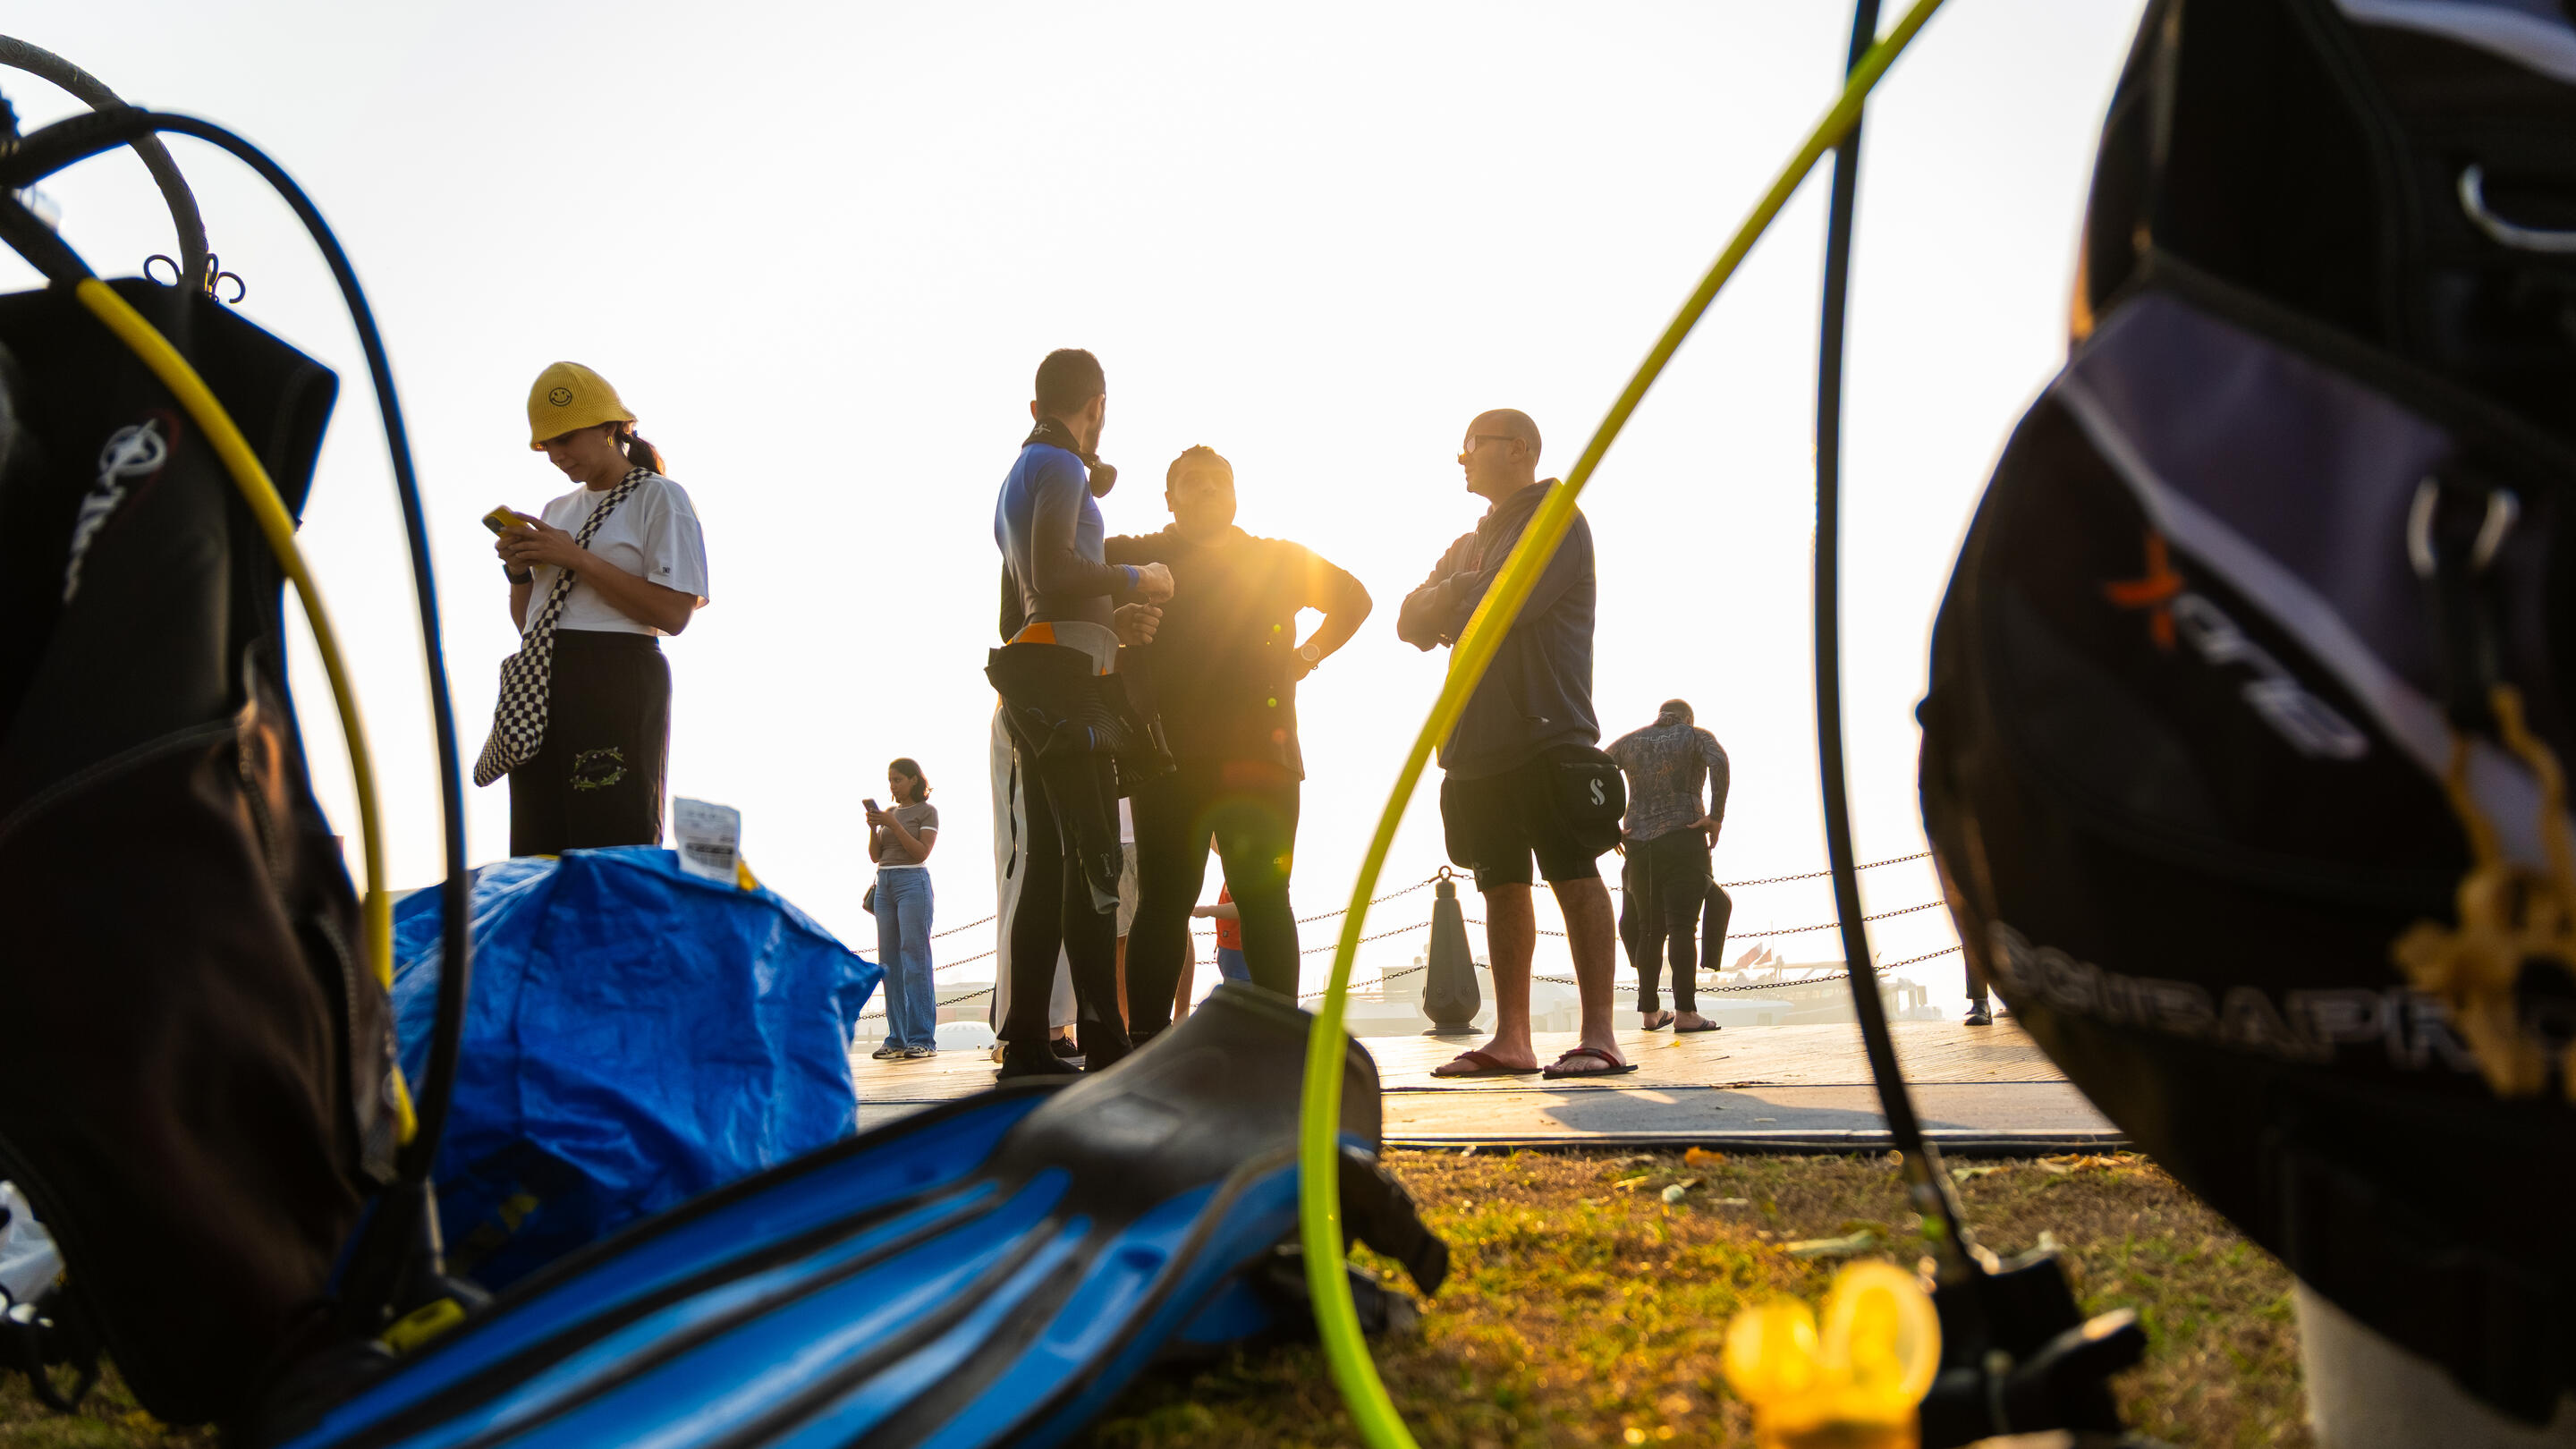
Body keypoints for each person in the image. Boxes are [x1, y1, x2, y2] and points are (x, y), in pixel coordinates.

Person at [1106, 445, 1370, 1039]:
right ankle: (1148, 1045)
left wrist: (1306, 657)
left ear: (1235, 495)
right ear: (1169, 498)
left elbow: (1354, 599)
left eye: (1218, 482)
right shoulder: (1136, 556)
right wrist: (1116, 621)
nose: (1207, 490)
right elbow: (1071, 581)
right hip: (1166, 761)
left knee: (1265, 897)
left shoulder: (1275, 559)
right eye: (1192, 482)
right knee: (1163, 904)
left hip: (1263, 759)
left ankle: (1279, 1046)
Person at [1396, 410, 1626, 1080]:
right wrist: (1464, 590)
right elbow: (1409, 619)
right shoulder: (1470, 542)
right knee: (1500, 885)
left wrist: (1459, 595)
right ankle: (1512, 1039)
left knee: (1574, 874)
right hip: (1473, 740)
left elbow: (1509, 603)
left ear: (1518, 448)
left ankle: (1601, 1035)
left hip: (1547, 730)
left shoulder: (1556, 521)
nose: (1461, 458)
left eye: (1471, 445)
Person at [988, 347, 1174, 1079]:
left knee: (1048, 866)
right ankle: (1107, 1042)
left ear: (1037, 404)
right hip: (1067, 683)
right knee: (1096, 860)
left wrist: (1109, 620)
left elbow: (1028, 599)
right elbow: (1053, 572)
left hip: (1042, 668)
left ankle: (1030, 1040)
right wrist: (1141, 575)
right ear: (1096, 405)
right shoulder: (1061, 466)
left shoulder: (1022, 469)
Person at [492, 362, 708, 856]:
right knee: (538, 852)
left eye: (566, 438)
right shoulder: (556, 511)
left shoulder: (660, 497)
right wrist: (520, 571)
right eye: (547, 445)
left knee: (613, 843)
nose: (558, 455)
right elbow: (531, 623)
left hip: (616, 675)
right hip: (544, 682)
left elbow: (674, 614)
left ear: (610, 427)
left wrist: (575, 558)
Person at [1607, 699, 1730, 1032]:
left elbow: (1596, 769)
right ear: (1688, 717)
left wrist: (1607, 826)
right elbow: (1719, 763)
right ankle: (1686, 1014)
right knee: (1681, 928)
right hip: (1683, 835)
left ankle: (1649, 1013)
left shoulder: (1629, 742)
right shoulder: (1695, 736)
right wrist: (1715, 817)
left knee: (1648, 928)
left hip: (1639, 844)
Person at [867, 758, 940, 1060]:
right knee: (890, 964)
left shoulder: (927, 812)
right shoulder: (891, 814)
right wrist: (875, 828)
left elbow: (920, 851)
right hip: (885, 883)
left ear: (913, 780)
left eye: (898, 779)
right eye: (890, 780)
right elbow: (875, 856)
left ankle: (922, 1039)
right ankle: (896, 1037)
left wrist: (892, 824)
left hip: (913, 881)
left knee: (915, 958)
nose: (892, 786)